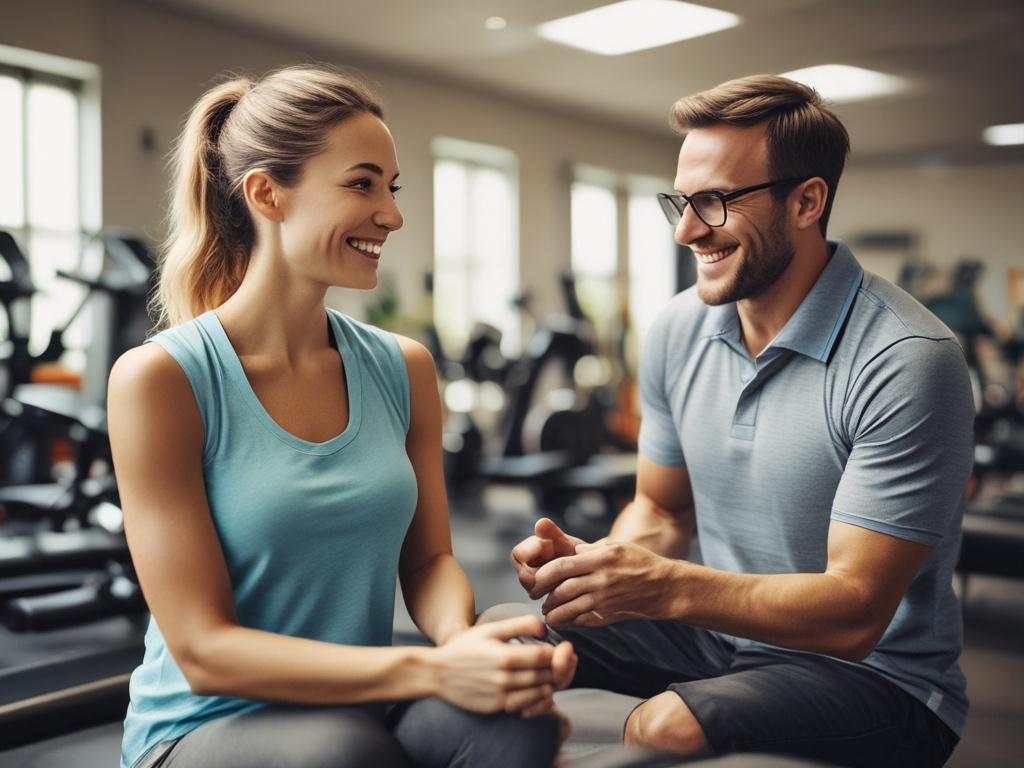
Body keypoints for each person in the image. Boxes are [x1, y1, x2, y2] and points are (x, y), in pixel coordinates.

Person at [108, 65, 574, 768]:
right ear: (268, 195)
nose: (391, 214)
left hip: (361, 698)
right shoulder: (163, 378)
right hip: (206, 723)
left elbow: (430, 560)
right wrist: (429, 671)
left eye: (392, 187)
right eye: (361, 184)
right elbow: (204, 651)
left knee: (512, 669)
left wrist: (460, 643)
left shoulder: (403, 367)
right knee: (341, 753)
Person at [510, 75, 973, 768]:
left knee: (662, 729)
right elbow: (663, 511)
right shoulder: (676, 328)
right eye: (682, 200)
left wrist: (665, 588)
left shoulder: (908, 359)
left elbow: (854, 613)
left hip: (879, 677)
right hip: (726, 634)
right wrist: (599, 569)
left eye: (715, 202)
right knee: (503, 640)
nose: (686, 229)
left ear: (807, 201)